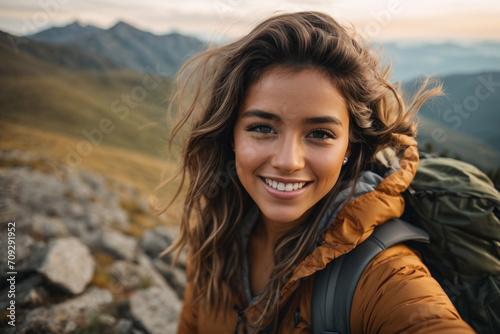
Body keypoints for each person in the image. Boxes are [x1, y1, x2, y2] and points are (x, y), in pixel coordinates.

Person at [151, 11, 475, 333]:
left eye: (320, 133)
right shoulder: (215, 238)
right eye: (262, 127)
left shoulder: (384, 275)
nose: (288, 161)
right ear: (231, 136)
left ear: (349, 146)